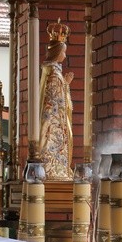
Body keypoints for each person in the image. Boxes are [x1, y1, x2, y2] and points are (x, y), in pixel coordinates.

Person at [38, 19, 74, 180]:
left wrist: (65, 84)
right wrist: (66, 85)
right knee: (52, 147)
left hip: (57, 121)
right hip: (53, 122)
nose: (65, 55)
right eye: (63, 52)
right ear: (57, 52)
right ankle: (53, 172)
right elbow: (53, 98)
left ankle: (59, 171)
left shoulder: (55, 72)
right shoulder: (53, 72)